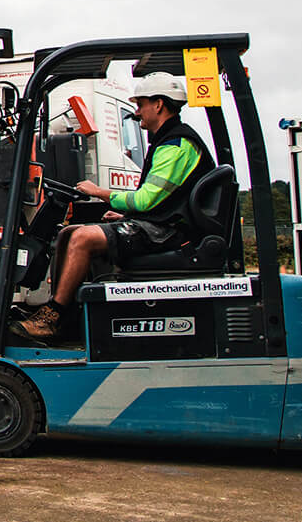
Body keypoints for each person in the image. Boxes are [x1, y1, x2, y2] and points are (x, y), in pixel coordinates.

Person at [15, 73, 216, 342]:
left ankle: (52, 319)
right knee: (68, 233)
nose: (137, 112)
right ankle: (59, 313)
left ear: (158, 104)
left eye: (141, 104)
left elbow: (146, 199)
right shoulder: (166, 141)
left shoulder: (176, 145)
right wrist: (126, 215)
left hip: (171, 233)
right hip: (163, 225)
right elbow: (162, 201)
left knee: (83, 239)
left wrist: (99, 192)